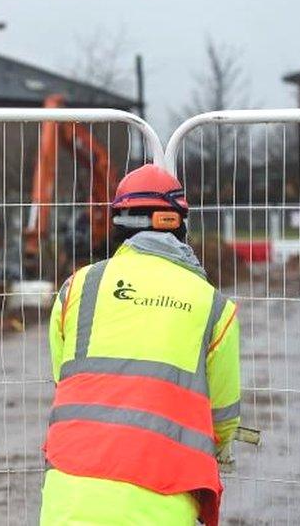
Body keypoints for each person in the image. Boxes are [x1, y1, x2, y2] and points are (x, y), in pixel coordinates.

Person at [40, 164, 241, 526]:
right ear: (178, 224)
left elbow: (65, 380)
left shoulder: (76, 289)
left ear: (117, 223)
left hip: (65, 501)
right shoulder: (214, 307)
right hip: (163, 502)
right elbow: (223, 420)